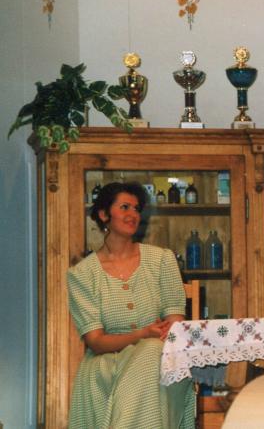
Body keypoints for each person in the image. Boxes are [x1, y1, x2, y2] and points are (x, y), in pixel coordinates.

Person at [67, 182, 195, 428]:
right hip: (106, 365)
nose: (133, 214)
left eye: (136, 209)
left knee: (152, 351)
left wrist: (151, 338)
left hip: (161, 359)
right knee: (149, 348)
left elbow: (174, 325)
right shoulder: (82, 274)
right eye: (124, 207)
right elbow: (96, 341)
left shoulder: (161, 260)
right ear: (104, 214)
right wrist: (142, 334)